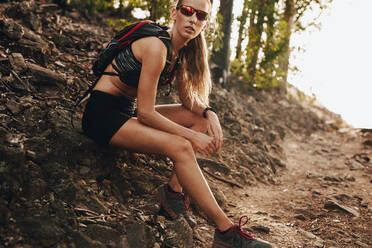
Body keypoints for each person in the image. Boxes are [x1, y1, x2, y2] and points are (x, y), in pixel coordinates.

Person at [82, 0, 272, 247]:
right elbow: (146, 114)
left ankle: (172, 192)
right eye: (188, 11)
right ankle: (227, 232)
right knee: (181, 146)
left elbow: (189, 102)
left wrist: (210, 113)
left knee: (197, 118)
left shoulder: (180, 53)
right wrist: (192, 138)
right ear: (175, 13)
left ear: (205, 25)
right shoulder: (156, 46)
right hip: (102, 116)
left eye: (201, 16)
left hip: (124, 114)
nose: (193, 19)